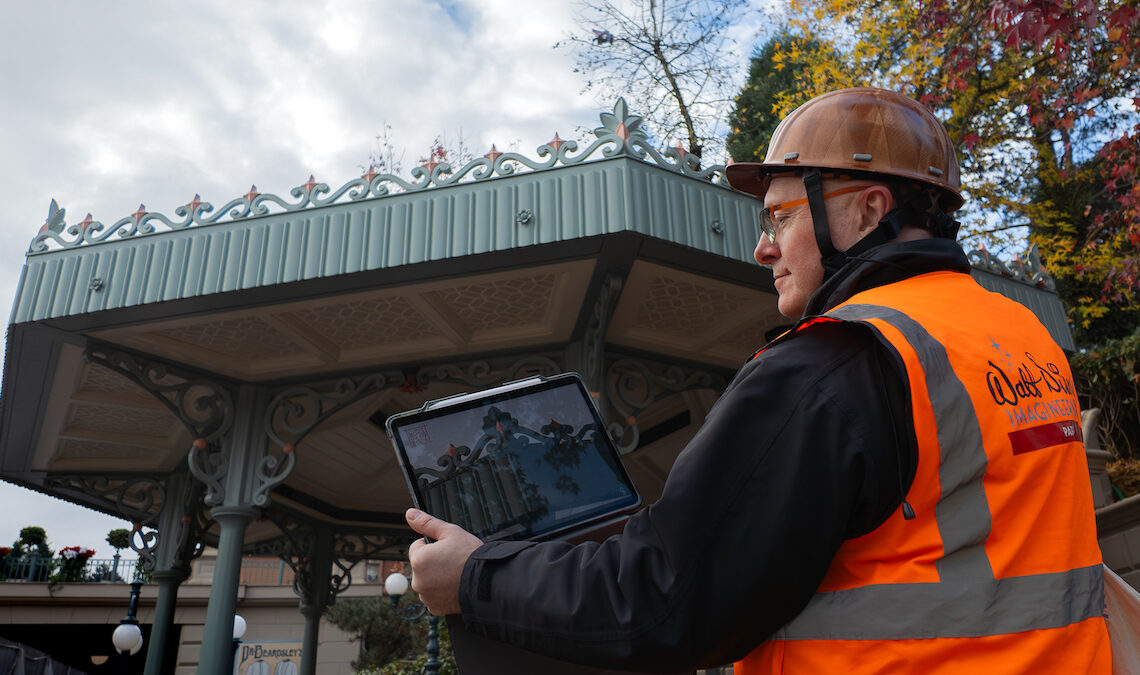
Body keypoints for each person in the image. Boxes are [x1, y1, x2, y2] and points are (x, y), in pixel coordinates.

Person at [405, 88, 1111, 673]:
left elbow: (657, 605)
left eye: (781, 215)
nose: (762, 245)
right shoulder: (1017, 334)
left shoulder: (831, 366)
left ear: (867, 209)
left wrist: (475, 577)